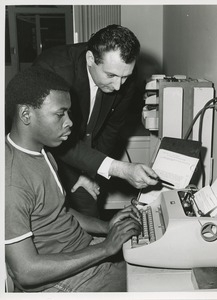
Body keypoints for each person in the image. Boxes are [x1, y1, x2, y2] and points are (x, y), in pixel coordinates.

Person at [5, 66, 142, 292]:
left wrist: (106, 226)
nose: (69, 122)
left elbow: (60, 212)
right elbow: (26, 272)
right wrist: (106, 248)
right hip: (57, 280)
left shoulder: (43, 152)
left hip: (82, 249)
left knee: (153, 261)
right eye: (60, 114)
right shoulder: (11, 181)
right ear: (26, 115)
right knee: (154, 282)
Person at [33, 24, 159, 217]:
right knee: (50, 222)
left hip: (83, 155)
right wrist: (121, 169)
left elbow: (111, 128)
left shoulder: (124, 77)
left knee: (89, 215)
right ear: (91, 58)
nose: (118, 86)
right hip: (42, 155)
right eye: (111, 75)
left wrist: (89, 173)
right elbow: (51, 135)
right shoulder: (53, 69)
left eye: (125, 77)